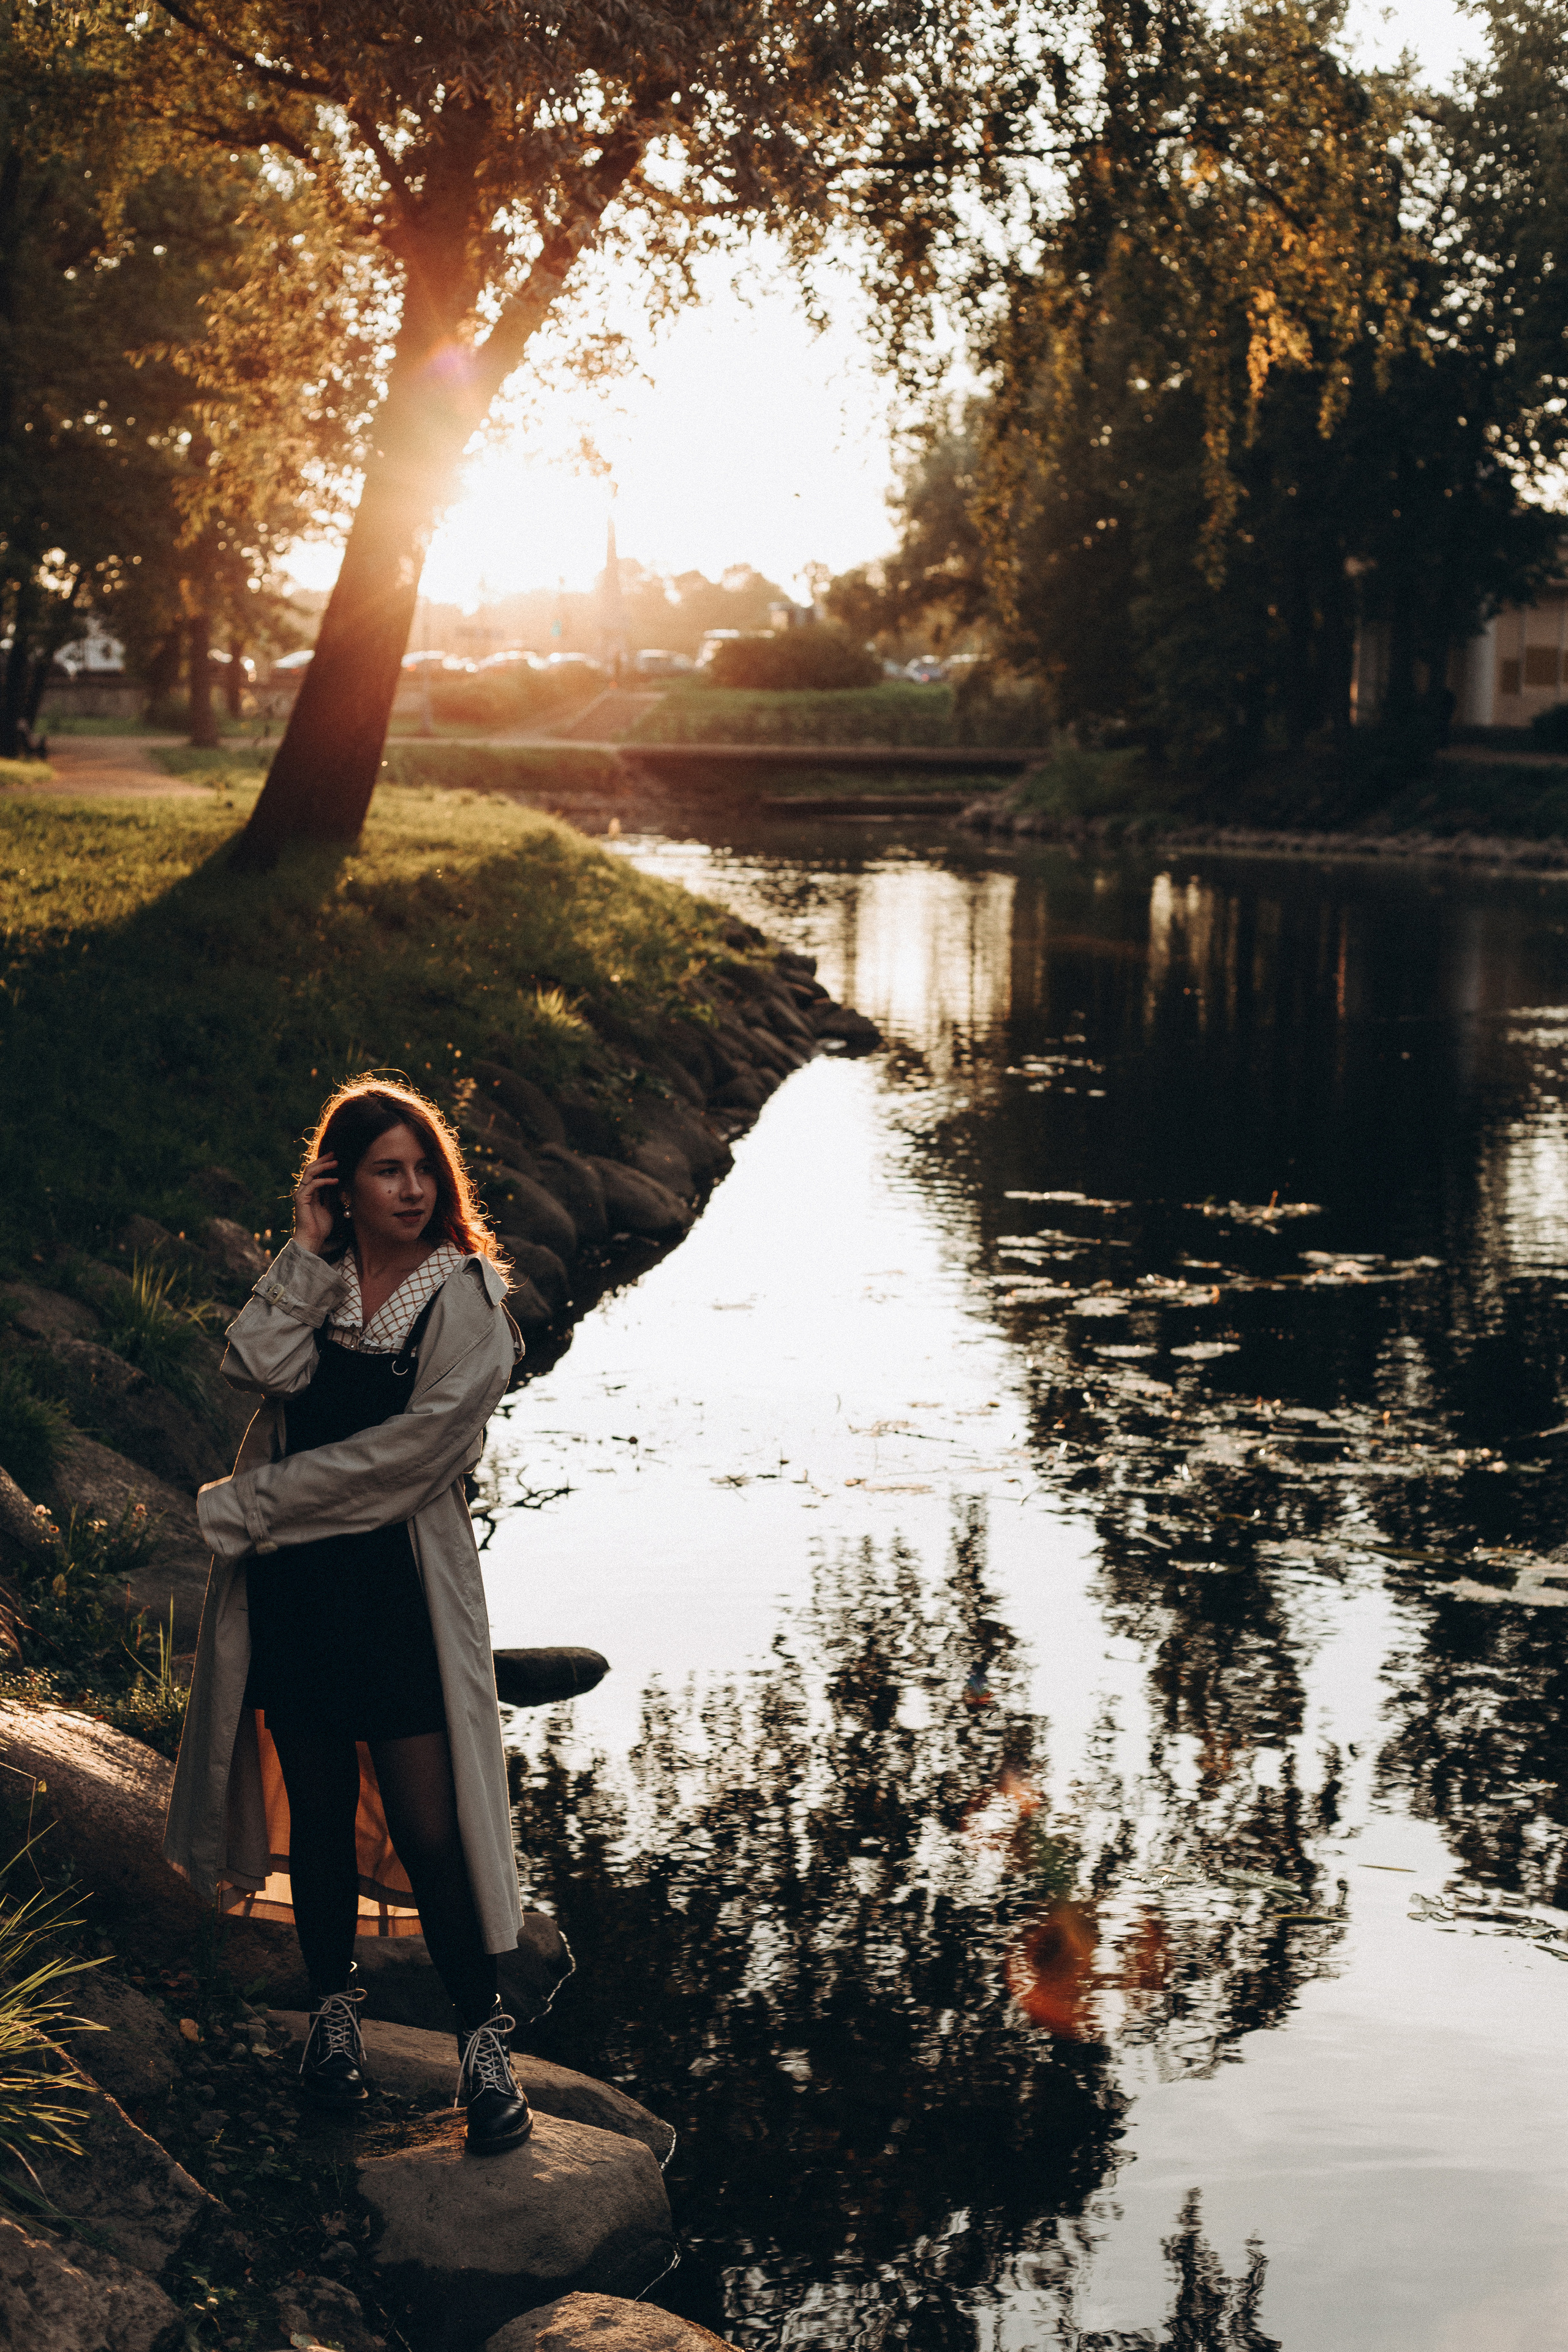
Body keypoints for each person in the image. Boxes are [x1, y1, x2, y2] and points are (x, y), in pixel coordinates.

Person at [163, 1079, 531, 2152]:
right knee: (318, 1818)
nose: (412, 1189)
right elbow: (253, 1365)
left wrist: (256, 1506)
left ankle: (482, 2044)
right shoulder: (319, 1279)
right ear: (342, 1182)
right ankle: (335, 2025)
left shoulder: (470, 1303)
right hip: (297, 1596)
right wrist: (305, 1250)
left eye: (426, 1169)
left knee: (432, 1829)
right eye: (387, 1170)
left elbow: (409, 1462)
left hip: (395, 1595)